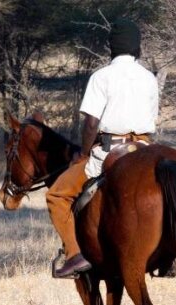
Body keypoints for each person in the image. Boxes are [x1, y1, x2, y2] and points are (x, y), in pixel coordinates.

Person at [46, 18, 159, 278]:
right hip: (144, 148)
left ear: (112, 47)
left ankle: (74, 255)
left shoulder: (101, 77)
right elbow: (152, 119)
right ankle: (167, 256)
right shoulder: (149, 78)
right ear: (137, 48)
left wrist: (84, 154)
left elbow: (91, 124)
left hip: (110, 151)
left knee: (56, 196)